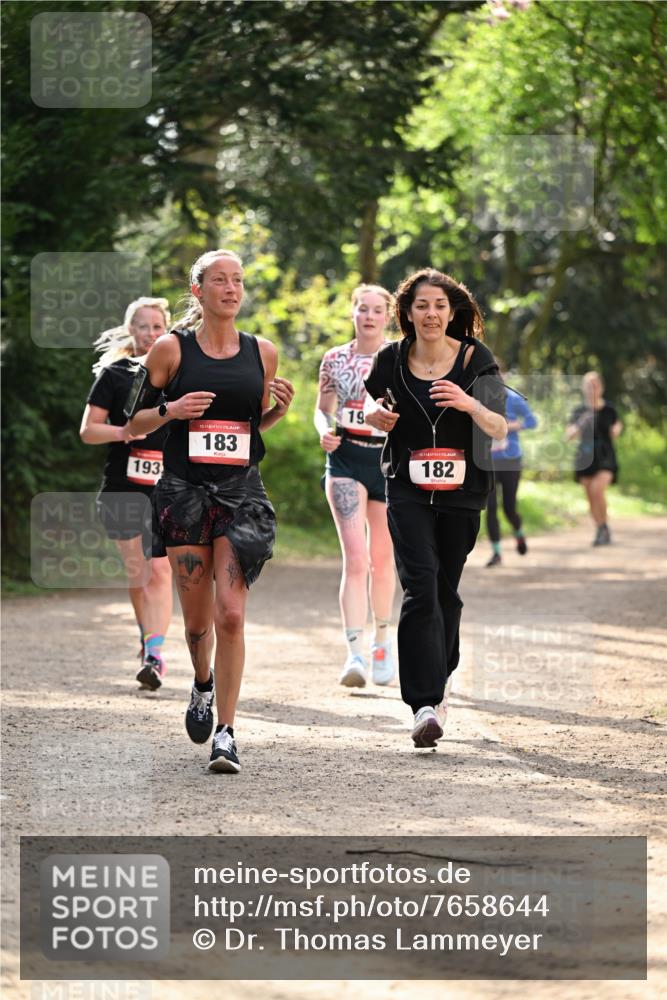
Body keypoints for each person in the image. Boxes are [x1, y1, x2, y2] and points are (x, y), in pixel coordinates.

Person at [127, 249, 294, 773]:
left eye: (238, 280)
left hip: (241, 494)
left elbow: (247, 433)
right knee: (198, 625)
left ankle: (227, 732)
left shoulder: (262, 353)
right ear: (197, 291)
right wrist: (170, 410)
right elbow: (133, 424)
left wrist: (276, 413)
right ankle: (201, 682)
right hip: (184, 495)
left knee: (232, 614)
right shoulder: (169, 350)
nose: (231, 288)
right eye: (219, 280)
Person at [363, 268, 507, 748]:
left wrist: (468, 402)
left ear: (452, 312)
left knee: (446, 591)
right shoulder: (390, 359)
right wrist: (375, 416)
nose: (431, 314)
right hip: (406, 487)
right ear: (407, 312)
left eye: (440, 306)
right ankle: (423, 704)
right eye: (422, 305)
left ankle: (440, 681)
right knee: (420, 585)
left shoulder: (474, 359)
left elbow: (498, 427)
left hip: (463, 492)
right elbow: (369, 406)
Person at [80, 298, 173, 690]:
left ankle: (155, 653)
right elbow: (88, 430)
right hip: (122, 486)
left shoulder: (178, 373)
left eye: (157, 327)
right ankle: (148, 639)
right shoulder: (116, 374)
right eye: (143, 326)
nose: (150, 334)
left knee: (162, 569)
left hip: (168, 486)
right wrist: (125, 432)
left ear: (166, 330)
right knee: (138, 571)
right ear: (130, 330)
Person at [315, 284, 397, 688]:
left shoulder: (399, 357)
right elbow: (321, 410)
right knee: (355, 558)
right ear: (352, 313)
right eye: (362, 308)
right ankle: (354, 653)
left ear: (388, 316)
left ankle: (383, 640)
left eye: (376, 310)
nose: (368, 316)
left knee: (382, 560)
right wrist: (323, 432)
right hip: (345, 457)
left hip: (386, 461)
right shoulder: (334, 359)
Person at [485, 360, 538, 567]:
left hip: (510, 460)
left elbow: (533, 422)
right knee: (489, 507)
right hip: (487, 461)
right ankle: (496, 553)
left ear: (503, 375)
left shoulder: (514, 399)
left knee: (508, 508)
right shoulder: (479, 400)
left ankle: (518, 532)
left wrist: (513, 425)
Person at [566, 371, 622, 546]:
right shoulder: (579, 411)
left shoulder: (609, 409)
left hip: (605, 456)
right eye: (589, 385)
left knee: (598, 489)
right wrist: (582, 422)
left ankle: (603, 526)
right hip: (585, 456)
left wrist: (616, 430)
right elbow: (568, 435)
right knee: (590, 495)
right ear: (584, 388)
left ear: (601, 387)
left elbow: (617, 427)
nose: (592, 388)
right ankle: (601, 528)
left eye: (595, 385)